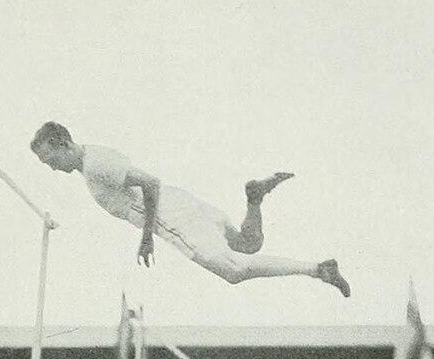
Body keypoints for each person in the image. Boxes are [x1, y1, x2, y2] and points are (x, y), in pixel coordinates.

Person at [30, 122, 350, 297]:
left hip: (175, 217)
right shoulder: (93, 160)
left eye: (50, 160)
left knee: (233, 271)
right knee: (247, 244)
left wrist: (147, 237)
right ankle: (254, 199)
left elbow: (150, 183)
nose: (52, 168)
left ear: (64, 144)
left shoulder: (95, 165)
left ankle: (318, 269)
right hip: (185, 205)